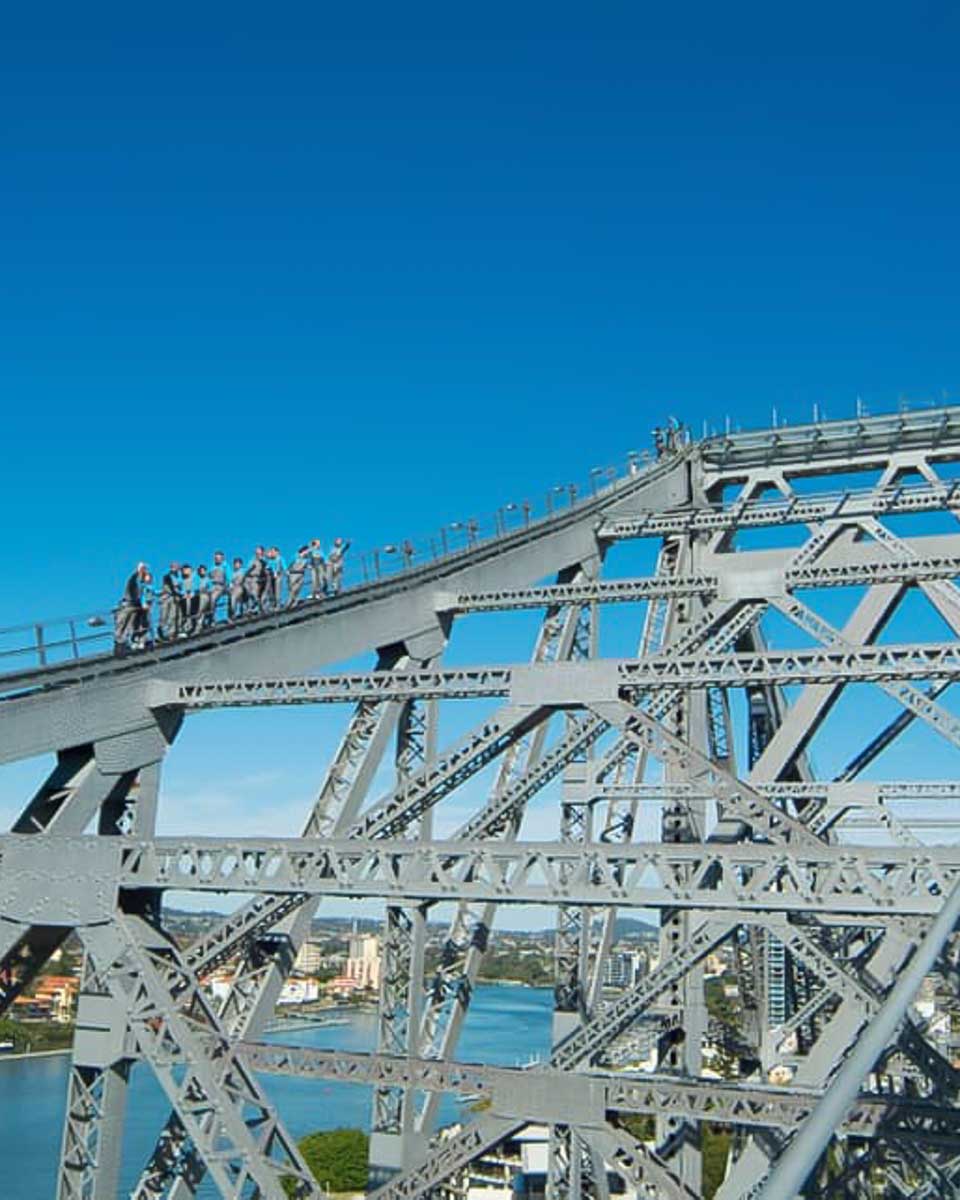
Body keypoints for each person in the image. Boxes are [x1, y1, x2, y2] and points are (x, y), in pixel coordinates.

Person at [114, 562, 149, 654]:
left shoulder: (143, 586)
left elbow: (143, 597)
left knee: (132, 627)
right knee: (122, 626)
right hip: (127, 607)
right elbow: (131, 579)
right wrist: (137, 571)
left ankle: (130, 644)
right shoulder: (133, 584)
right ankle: (119, 646)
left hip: (136, 608)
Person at [158, 563, 182, 640]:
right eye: (173, 567)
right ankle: (161, 630)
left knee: (173, 615)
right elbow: (169, 587)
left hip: (175, 598)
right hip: (167, 597)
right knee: (164, 615)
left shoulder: (179, 577)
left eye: (176, 567)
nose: (175, 569)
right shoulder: (167, 577)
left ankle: (171, 633)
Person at [244, 545, 269, 613]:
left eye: (258, 551)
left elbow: (267, 567)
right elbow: (247, 569)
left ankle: (258, 607)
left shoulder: (264, 560)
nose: (256, 552)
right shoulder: (252, 560)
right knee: (249, 593)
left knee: (254, 593)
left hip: (257, 578)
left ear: (261, 552)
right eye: (256, 551)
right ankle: (253, 607)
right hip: (249, 578)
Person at [135, 571, 155, 647]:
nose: (148, 578)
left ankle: (147, 639)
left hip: (148, 607)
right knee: (143, 623)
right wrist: (143, 604)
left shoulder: (151, 586)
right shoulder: (143, 587)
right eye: (147, 577)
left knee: (148, 623)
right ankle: (140, 641)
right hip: (143, 607)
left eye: (149, 577)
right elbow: (142, 596)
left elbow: (154, 593)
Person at [209, 551, 229, 623]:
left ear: (222, 558)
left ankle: (212, 617)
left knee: (213, 598)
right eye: (216, 558)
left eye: (218, 558)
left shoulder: (225, 566)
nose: (217, 559)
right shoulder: (212, 567)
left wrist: (227, 586)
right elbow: (208, 577)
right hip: (211, 586)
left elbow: (228, 578)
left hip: (220, 586)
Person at [179, 564, 196, 634]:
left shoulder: (194, 578)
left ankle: (190, 626)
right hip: (184, 598)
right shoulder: (181, 580)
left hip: (193, 597)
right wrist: (183, 594)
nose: (185, 571)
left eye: (186, 569)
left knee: (189, 609)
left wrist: (192, 593)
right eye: (183, 570)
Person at [195, 564, 212, 628]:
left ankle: (200, 623)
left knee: (202, 605)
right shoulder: (197, 580)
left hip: (205, 596)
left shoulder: (208, 579)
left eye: (203, 571)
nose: (202, 572)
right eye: (200, 571)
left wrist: (205, 590)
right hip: (197, 596)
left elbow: (210, 589)